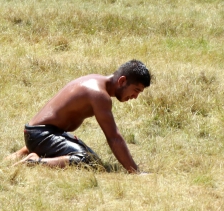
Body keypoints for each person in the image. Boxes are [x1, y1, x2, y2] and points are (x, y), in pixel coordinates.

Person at [9, 60, 151, 173]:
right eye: (136, 90)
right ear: (122, 81)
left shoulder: (96, 80)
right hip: (42, 135)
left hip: (38, 133)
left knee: (92, 159)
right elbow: (113, 136)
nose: (135, 97)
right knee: (88, 160)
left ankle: (27, 150)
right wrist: (135, 172)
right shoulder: (99, 94)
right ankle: (33, 161)